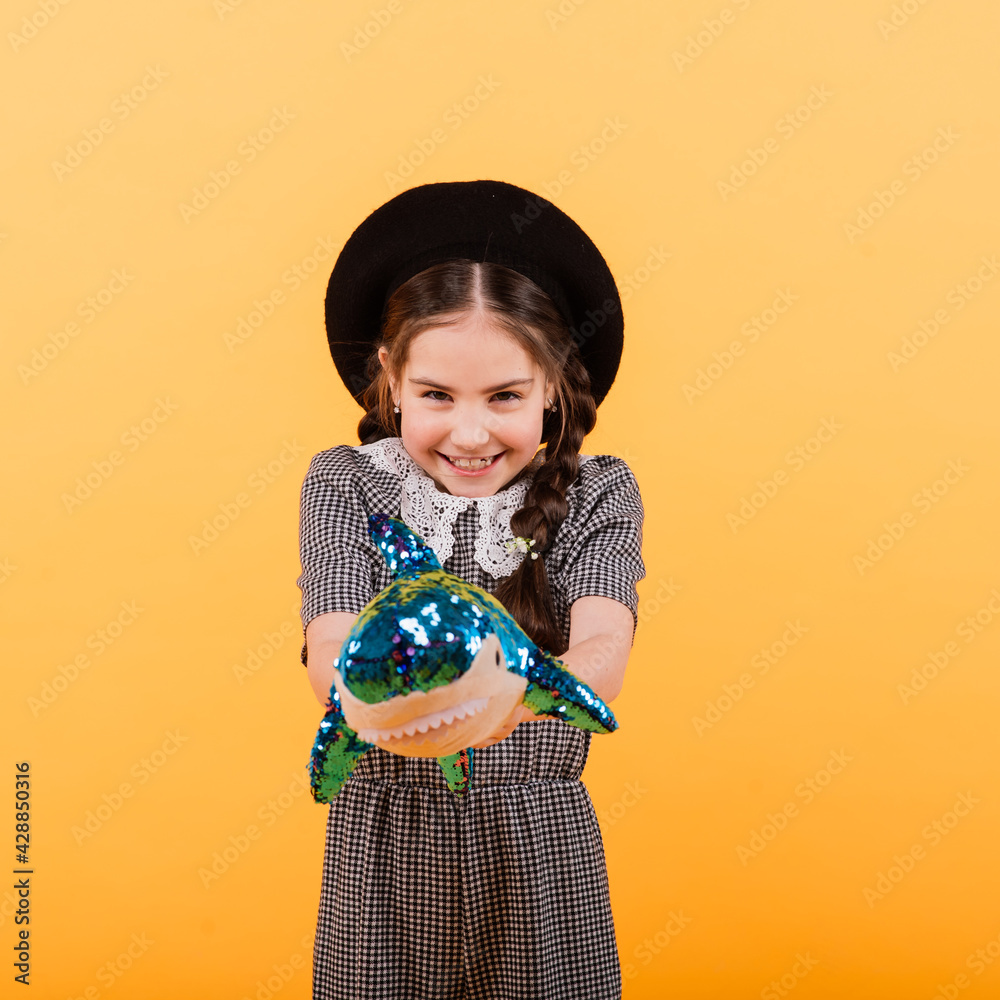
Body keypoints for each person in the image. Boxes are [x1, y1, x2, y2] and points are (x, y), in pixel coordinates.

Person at [297, 179, 646, 1000]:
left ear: (556, 382)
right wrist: (394, 695)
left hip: (539, 843)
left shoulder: (598, 493)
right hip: (383, 846)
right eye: (435, 396)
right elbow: (329, 657)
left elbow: (605, 651)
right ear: (388, 377)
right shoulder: (347, 485)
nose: (470, 431)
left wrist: (498, 697)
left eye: (505, 397)